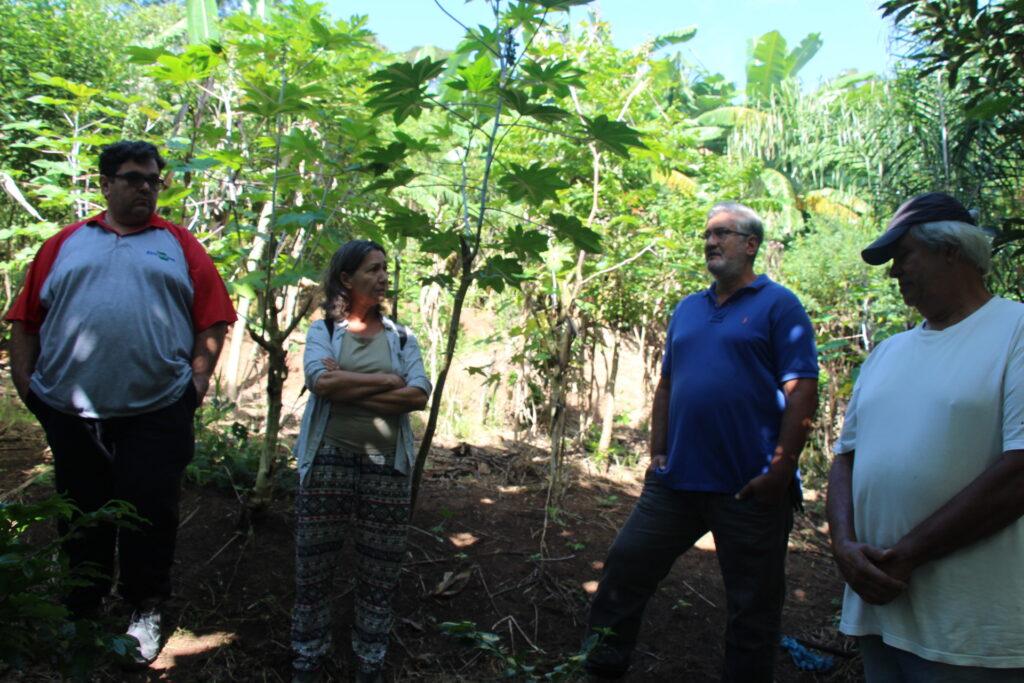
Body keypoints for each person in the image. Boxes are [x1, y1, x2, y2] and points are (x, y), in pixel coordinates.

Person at [5, 140, 236, 664]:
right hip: (72, 412)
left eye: (154, 180)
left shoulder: (180, 244)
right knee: (81, 512)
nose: (146, 188)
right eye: (134, 178)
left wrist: (196, 384)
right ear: (106, 184)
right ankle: (81, 611)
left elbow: (213, 317)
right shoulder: (65, 243)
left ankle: (144, 608)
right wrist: (29, 387)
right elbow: (25, 320)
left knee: (151, 512)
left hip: (157, 410)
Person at [584, 202, 819, 682]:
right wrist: (657, 453)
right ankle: (599, 670)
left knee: (753, 608)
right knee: (625, 569)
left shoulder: (780, 306)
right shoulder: (688, 308)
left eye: (722, 233)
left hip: (749, 488)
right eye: (707, 235)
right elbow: (667, 384)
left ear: (750, 245)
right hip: (677, 483)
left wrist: (780, 469)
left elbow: (802, 391)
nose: (711, 242)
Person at [826, 192, 1024, 681]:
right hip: (880, 616)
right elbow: (845, 458)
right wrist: (844, 546)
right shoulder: (887, 353)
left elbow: (1019, 473)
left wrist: (908, 555)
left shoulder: (1015, 330)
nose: (894, 272)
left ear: (951, 251)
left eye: (903, 255)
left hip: (970, 632)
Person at [290, 239, 431, 683]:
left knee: (380, 571)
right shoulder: (323, 331)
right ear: (347, 278)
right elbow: (320, 383)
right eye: (373, 269)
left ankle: (370, 660)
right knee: (314, 566)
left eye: (385, 268)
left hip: (387, 465)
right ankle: (307, 656)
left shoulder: (402, 337)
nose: (383, 277)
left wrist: (349, 384)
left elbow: (418, 394)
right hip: (327, 458)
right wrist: (388, 380)